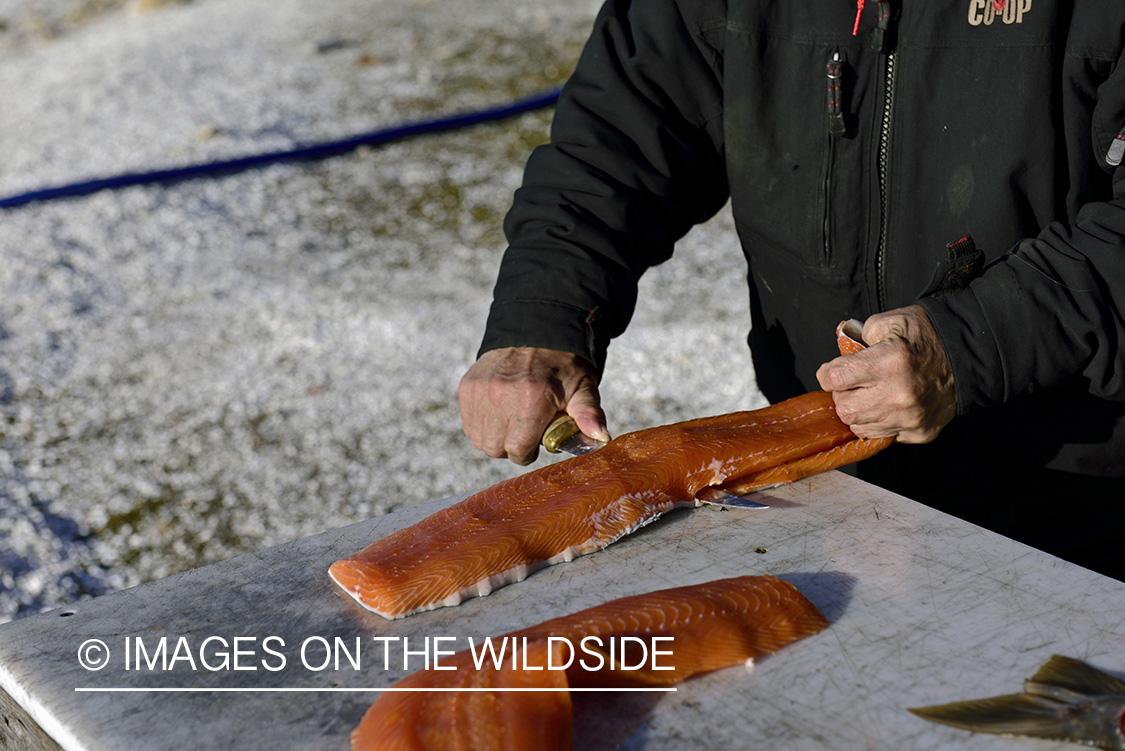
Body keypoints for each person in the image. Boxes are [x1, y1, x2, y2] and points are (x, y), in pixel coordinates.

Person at [458, 0, 1125, 581]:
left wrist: (971, 345)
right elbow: (624, 132)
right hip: (820, 483)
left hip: (1086, 503)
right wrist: (541, 314)